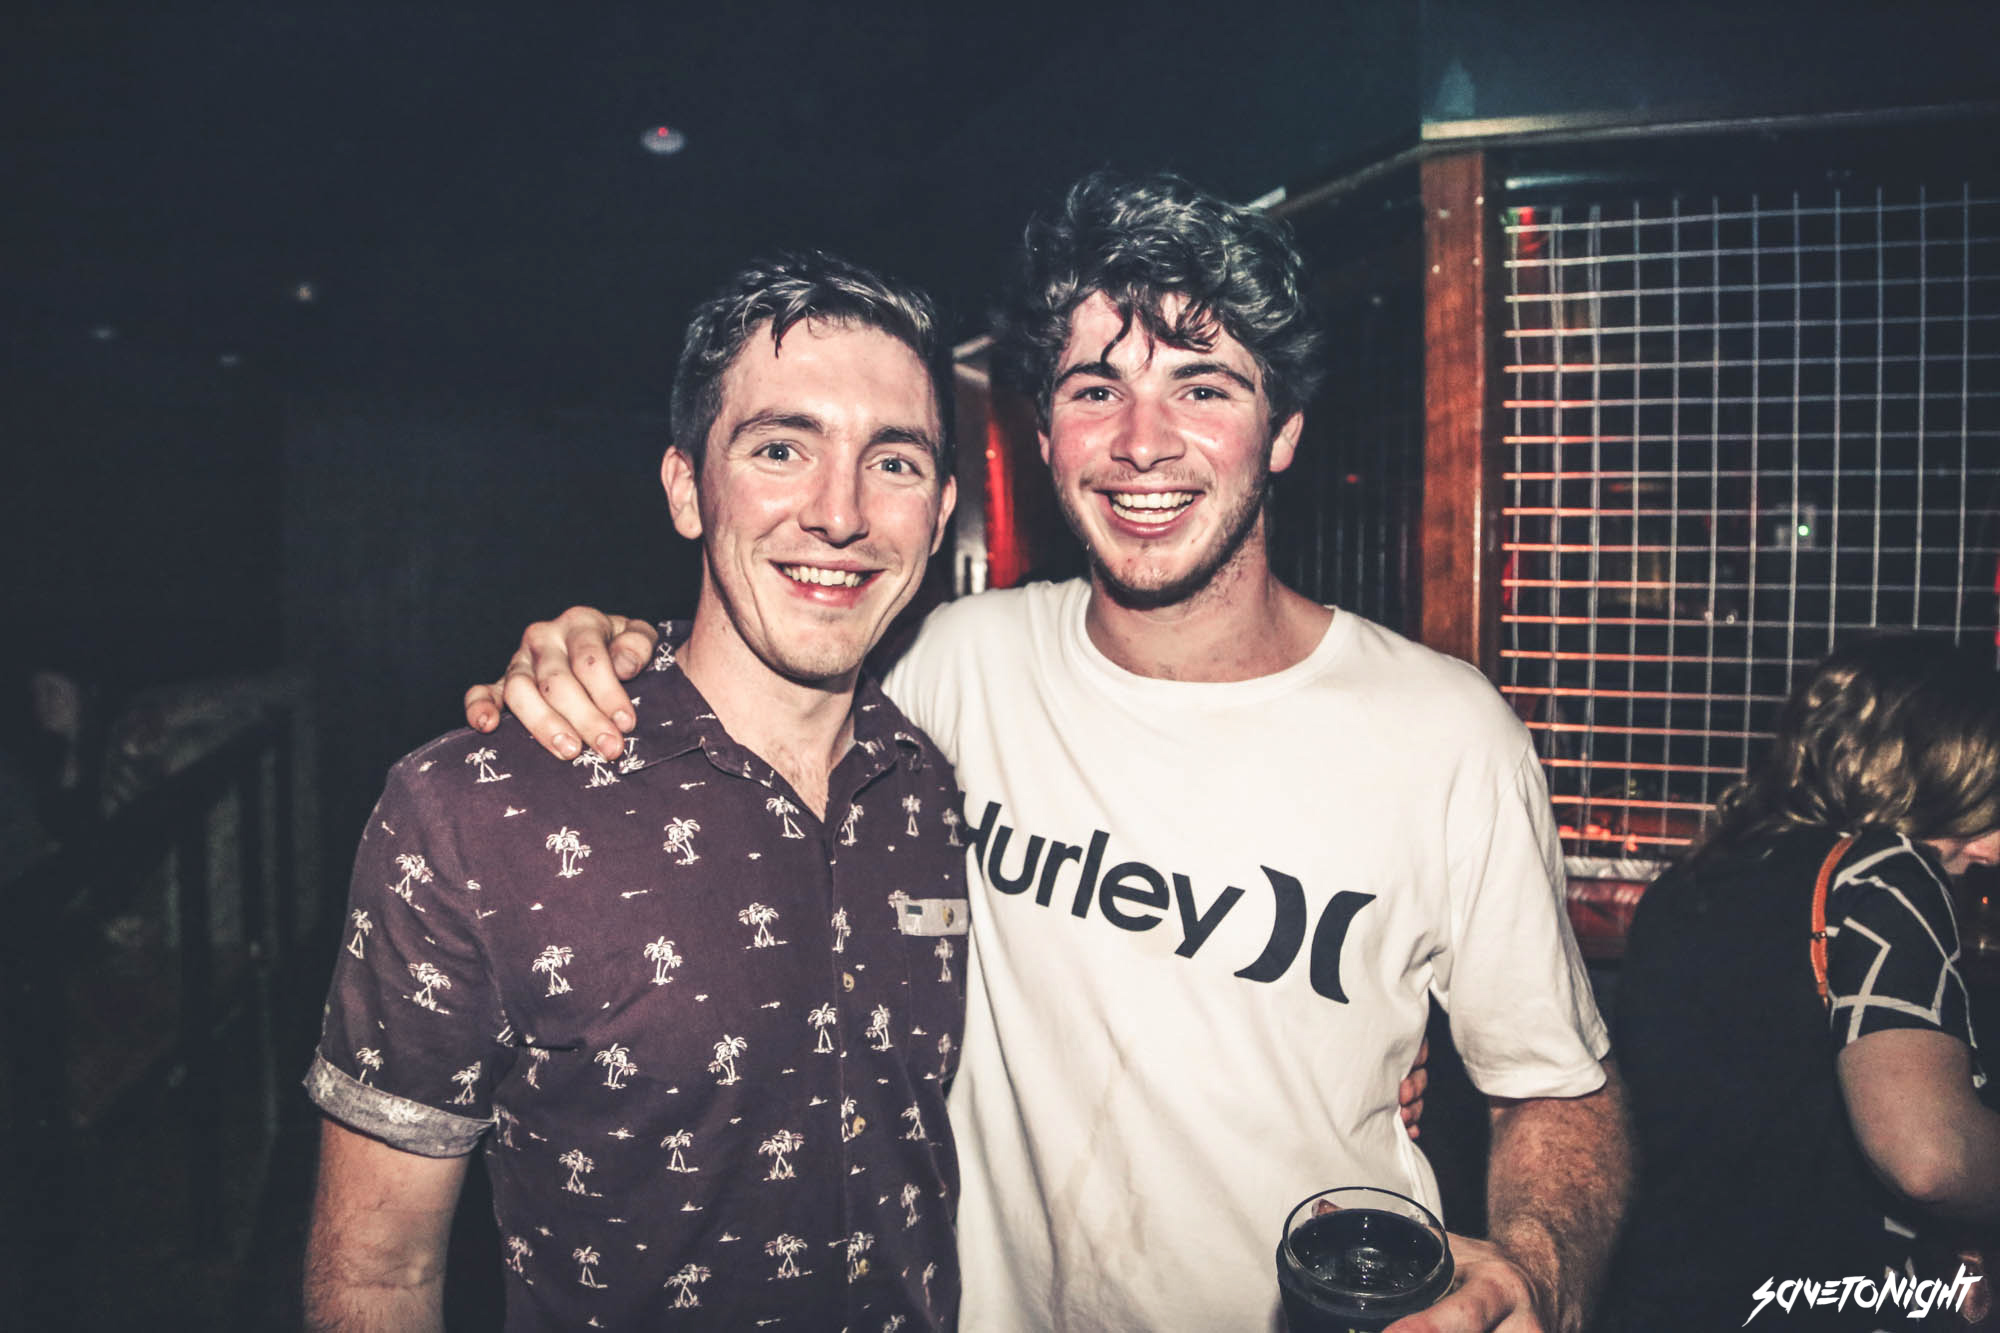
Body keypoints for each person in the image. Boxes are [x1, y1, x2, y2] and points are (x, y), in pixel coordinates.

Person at [466, 171, 1630, 1333]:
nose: (1140, 443)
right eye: (1094, 389)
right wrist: (612, 649)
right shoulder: (953, 664)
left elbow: (1556, 1090)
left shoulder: (1441, 732)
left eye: (1201, 387)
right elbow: (765, 674)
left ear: (1281, 431)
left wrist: (1534, 1264)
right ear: (1043, 433)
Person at [303, 253, 971, 1332]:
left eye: (892, 462)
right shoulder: (472, 810)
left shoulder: (934, 788)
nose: (840, 513)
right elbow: (377, 1275)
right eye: (781, 448)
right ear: (685, 488)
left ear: (938, 515)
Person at [1601, 636, 2000, 1332]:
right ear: (1944, 772)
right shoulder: (1888, 874)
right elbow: (1929, 1158)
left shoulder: (1695, 880)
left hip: (1674, 1297)